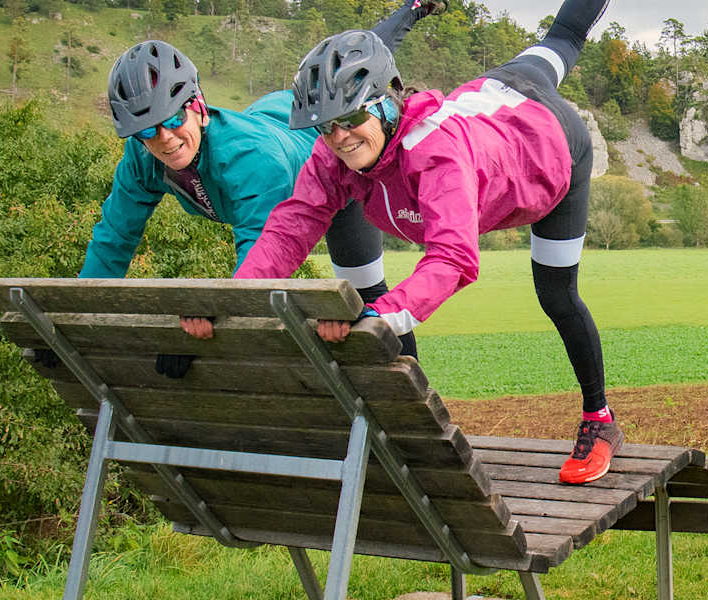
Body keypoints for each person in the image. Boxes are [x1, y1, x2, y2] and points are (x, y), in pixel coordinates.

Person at [232, 0, 618, 484]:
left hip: (553, 147)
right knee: (560, 40)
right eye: (326, 127)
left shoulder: (435, 154)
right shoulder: (334, 155)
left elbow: (454, 257)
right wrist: (233, 299)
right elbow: (292, 225)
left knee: (557, 295)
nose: (340, 138)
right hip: (492, 90)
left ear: (386, 102)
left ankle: (599, 420)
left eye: (351, 119)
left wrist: (378, 315)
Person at [81, 1, 443, 376]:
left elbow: (260, 266)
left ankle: (412, 398)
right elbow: (114, 239)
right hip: (278, 118)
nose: (165, 138)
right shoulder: (142, 158)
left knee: (366, 293)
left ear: (198, 106)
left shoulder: (252, 163)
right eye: (146, 131)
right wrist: (72, 319)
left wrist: (197, 334)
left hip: (333, 173)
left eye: (174, 118)